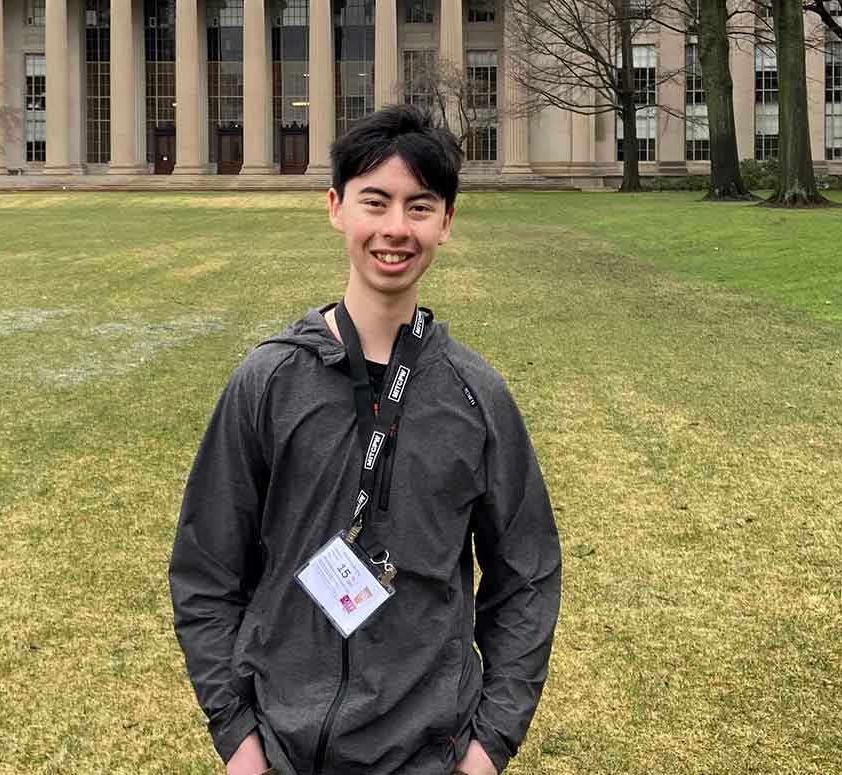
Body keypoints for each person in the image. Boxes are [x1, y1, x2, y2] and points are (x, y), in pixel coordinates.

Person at [169, 104, 561, 775]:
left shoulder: (477, 395)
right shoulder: (269, 381)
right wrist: (238, 739)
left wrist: (487, 747)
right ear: (336, 207)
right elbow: (206, 570)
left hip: (429, 755)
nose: (394, 228)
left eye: (419, 206)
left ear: (446, 222)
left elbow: (527, 577)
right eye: (375, 201)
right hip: (283, 751)